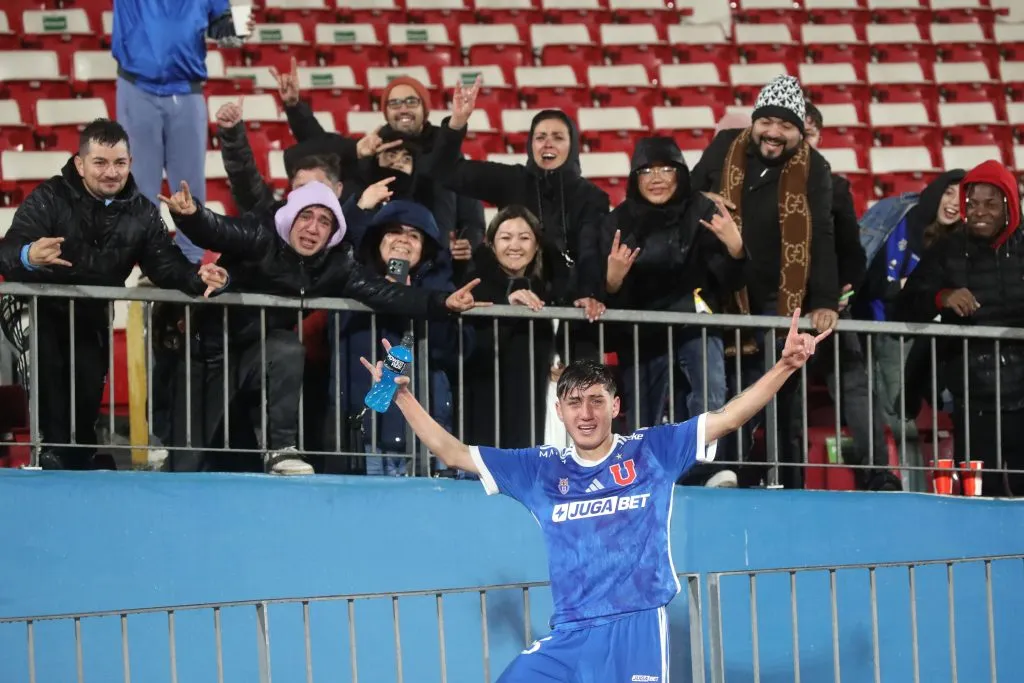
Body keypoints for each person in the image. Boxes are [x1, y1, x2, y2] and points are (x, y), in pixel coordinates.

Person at [360, 309, 830, 682]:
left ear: (615, 406)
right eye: (574, 403)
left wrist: (785, 366)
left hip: (638, 627)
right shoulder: (541, 469)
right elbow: (454, 453)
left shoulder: (652, 450)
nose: (585, 414)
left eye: (596, 401)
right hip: (570, 634)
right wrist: (403, 399)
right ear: (559, 410)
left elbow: (728, 417)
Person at [159, 182, 487, 475]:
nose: (313, 228)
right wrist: (191, 215)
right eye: (306, 216)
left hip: (259, 357)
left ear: (334, 234)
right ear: (290, 218)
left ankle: (281, 449)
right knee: (185, 463)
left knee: (287, 347)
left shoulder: (337, 265)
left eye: (325, 221)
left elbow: (387, 293)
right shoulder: (262, 235)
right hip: (206, 355)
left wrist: (443, 302)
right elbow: (218, 231)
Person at [0, 119, 226, 470]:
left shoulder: (142, 211)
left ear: (130, 163)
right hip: (33, 304)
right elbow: (7, 253)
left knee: (88, 387)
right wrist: (29, 255)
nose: (111, 172)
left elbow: (165, 265)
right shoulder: (48, 196)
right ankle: (46, 452)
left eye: (119, 163)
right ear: (80, 164)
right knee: (44, 360)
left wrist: (198, 278)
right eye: (100, 163)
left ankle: (77, 456)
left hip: (89, 313)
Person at [690, 74, 840, 488]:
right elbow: (688, 194)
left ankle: (788, 483)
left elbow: (823, 236)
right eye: (767, 122)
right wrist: (703, 200)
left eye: (786, 125)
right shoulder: (725, 145)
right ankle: (723, 474)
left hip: (778, 299)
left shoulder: (815, 168)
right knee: (724, 392)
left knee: (780, 398)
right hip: (722, 291)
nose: (774, 133)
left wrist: (825, 299)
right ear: (754, 121)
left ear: (800, 130)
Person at [267, 62, 486, 275]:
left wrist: (468, 243)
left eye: (411, 101)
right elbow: (315, 151)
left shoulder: (447, 152)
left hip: (437, 270)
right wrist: (295, 108)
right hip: (372, 269)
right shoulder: (372, 150)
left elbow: (473, 219)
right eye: (394, 103)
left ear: (424, 108)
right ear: (385, 111)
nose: (403, 108)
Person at [895, 159, 1024, 497]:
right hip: (972, 395)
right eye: (973, 203)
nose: (979, 212)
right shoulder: (947, 248)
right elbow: (904, 306)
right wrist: (942, 297)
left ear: (1009, 206)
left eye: (990, 204)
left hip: (1022, 392)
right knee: (980, 493)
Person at [804, 103, 900, 491]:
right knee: (781, 388)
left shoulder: (836, 187)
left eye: (810, 133)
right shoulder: (762, 184)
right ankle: (779, 473)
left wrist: (844, 291)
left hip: (831, 308)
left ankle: (877, 471)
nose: (803, 141)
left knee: (854, 384)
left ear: (818, 137)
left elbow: (852, 252)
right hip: (780, 308)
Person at [112, 0, 251, 263]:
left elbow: (221, 25)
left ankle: (191, 261)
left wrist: (238, 27)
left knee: (190, 185)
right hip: (136, 84)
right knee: (140, 185)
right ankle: (148, 261)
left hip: (187, 89)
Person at [332, 200, 462, 476]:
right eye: (393, 231)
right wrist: (386, 293)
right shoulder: (351, 284)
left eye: (414, 235)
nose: (403, 240)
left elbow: (453, 351)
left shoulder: (442, 291)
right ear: (377, 240)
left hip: (430, 434)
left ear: (425, 248)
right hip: (369, 436)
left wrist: (419, 301)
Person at [460, 205, 566, 449]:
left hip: (531, 400)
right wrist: (506, 306)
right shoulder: (473, 284)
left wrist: (558, 360)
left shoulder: (545, 288)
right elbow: (471, 342)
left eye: (524, 238)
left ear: (537, 246)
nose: (515, 246)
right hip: (484, 400)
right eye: (506, 238)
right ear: (491, 245)